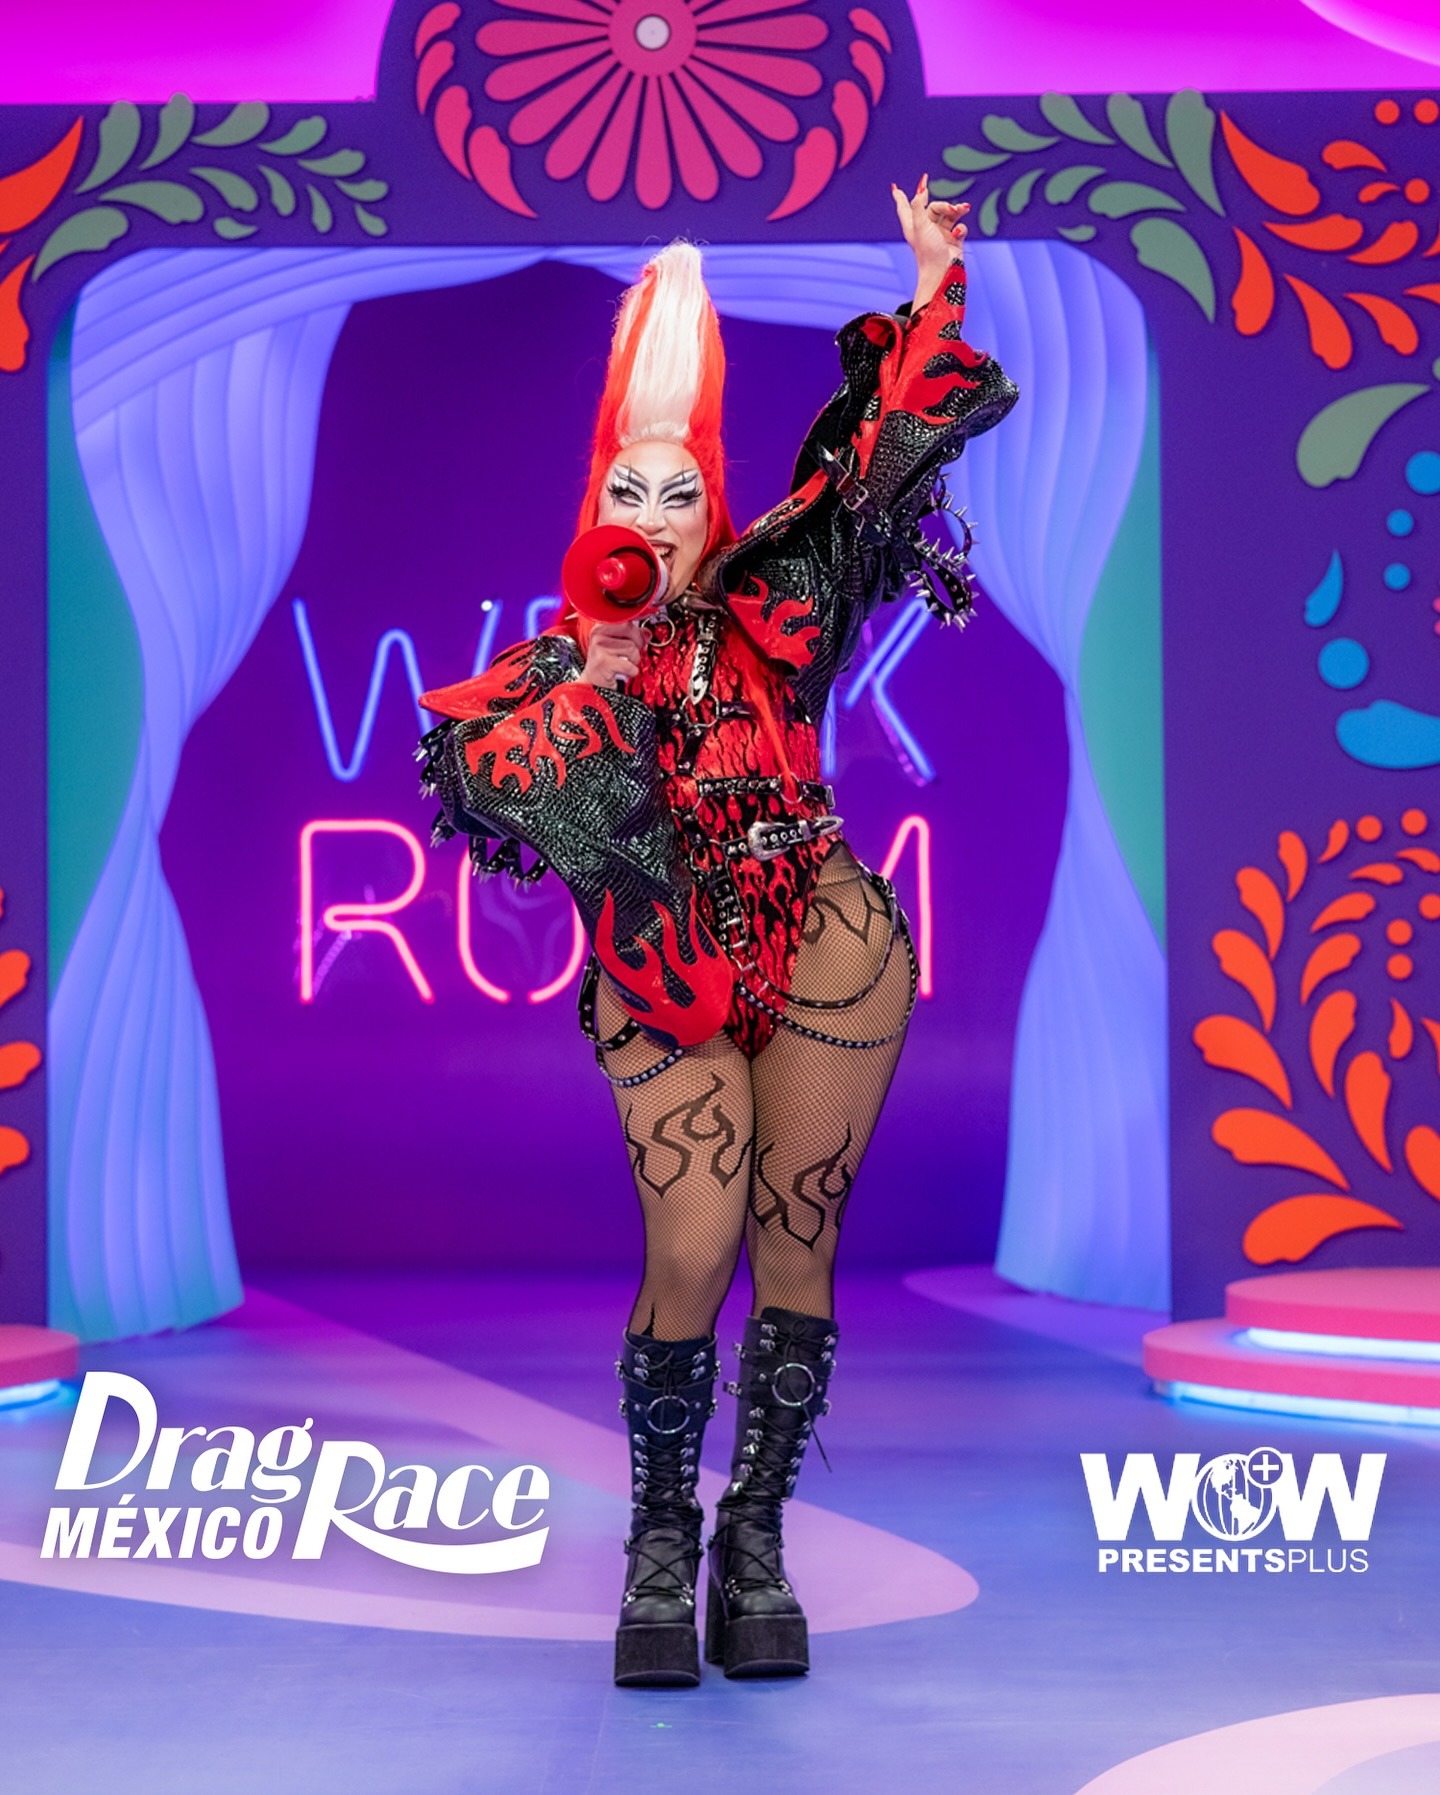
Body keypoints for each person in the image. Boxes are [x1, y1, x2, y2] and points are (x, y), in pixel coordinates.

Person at [418, 178, 1017, 1688]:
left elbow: (876, 469)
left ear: (711, 514)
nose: (653, 516)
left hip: (824, 939)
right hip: (666, 971)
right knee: (692, 1251)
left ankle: (754, 1539)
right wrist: (601, 672)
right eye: (629, 492)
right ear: (596, 513)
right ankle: (658, 1540)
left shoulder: (775, 612)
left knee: (795, 1246)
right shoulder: (554, 672)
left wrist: (932, 283)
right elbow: (500, 788)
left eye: (678, 493)